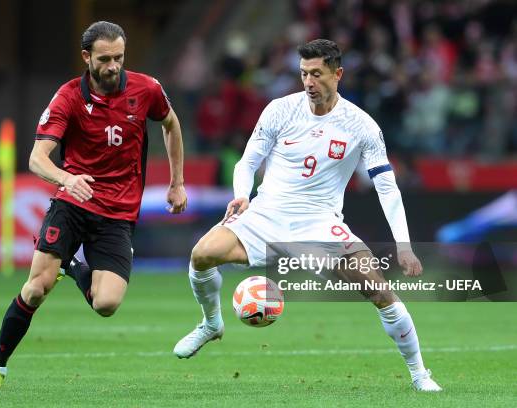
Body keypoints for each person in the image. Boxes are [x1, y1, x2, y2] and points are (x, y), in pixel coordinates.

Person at [173, 39, 442, 392]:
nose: (309, 82)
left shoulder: (362, 126)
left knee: (379, 291)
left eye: (317, 74)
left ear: (338, 74)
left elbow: (387, 188)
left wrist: (404, 246)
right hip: (265, 212)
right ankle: (211, 324)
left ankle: (421, 375)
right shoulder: (279, 110)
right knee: (201, 255)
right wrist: (242, 195)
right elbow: (248, 161)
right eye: (303, 74)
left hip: (318, 223)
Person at [0, 21, 187, 389]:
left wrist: (177, 182)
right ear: (86, 57)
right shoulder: (68, 97)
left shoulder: (147, 89)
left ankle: (72, 266)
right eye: (104, 59)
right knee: (35, 289)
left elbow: (170, 123)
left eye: (119, 58)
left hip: (118, 213)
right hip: (72, 204)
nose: (112, 66)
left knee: (106, 305)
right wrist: (67, 179)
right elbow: (37, 158)